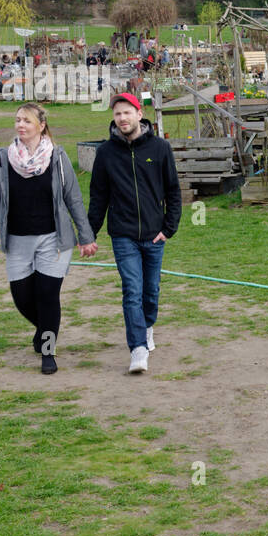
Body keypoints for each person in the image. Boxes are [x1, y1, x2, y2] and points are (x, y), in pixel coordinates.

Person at [0, 104, 98, 375]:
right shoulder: (4, 160)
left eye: (27, 121)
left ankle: (48, 350)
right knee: (22, 297)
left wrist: (85, 236)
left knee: (47, 295)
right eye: (18, 120)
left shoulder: (57, 158)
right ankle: (44, 328)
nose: (21, 125)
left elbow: (74, 199)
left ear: (41, 125)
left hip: (53, 240)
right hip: (18, 240)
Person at [87, 93, 182, 374]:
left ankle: (147, 325)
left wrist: (168, 228)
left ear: (139, 114)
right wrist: (89, 233)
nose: (122, 119)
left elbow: (173, 191)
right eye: (117, 114)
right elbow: (98, 197)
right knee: (131, 290)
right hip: (123, 234)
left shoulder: (160, 148)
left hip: (154, 235)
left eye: (127, 113)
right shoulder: (105, 153)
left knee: (150, 292)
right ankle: (137, 349)